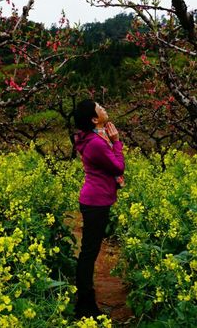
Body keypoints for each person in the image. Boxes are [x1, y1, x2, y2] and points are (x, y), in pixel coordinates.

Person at [73, 99, 125, 319]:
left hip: (95, 200)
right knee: (89, 252)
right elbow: (118, 165)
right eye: (99, 108)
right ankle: (85, 305)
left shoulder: (94, 138)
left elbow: (109, 167)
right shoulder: (96, 142)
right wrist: (117, 142)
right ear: (94, 119)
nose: (104, 108)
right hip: (96, 202)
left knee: (89, 251)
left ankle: (85, 301)